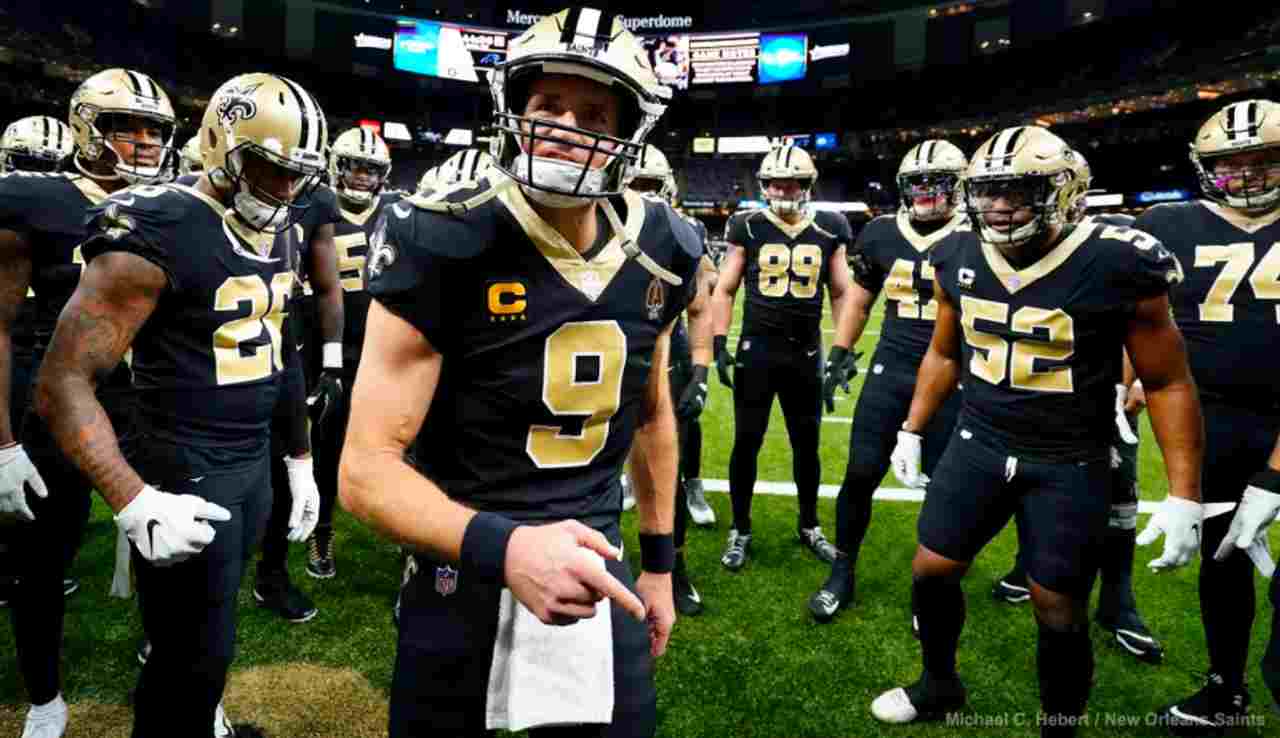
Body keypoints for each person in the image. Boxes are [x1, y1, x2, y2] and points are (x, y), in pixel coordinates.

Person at [339, 9, 695, 736]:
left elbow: (652, 414)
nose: (568, 125)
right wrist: (508, 547)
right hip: (460, 562)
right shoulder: (442, 233)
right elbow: (365, 469)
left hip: (595, 563)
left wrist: (659, 563)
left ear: (630, 135)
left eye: (595, 112)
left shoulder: (664, 245)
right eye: (548, 106)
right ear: (512, 113)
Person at [871, 125, 1202, 737]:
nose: (999, 205)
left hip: (1070, 457)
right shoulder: (956, 253)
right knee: (932, 568)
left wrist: (1184, 493)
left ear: (1065, 189)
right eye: (989, 191)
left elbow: (1167, 381)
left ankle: (1059, 726)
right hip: (979, 441)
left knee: (1057, 605)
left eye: (1019, 190)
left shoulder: (1116, 259)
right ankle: (939, 684)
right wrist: (913, 429)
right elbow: (945, 353)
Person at [35, 72, 326, 738]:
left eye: (296, 175)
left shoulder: (279, 223)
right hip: (187, 461)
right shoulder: (159, 225)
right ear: (223, 146)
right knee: (190, 656)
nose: (284, 190)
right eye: (268, 168)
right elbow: (62, 380)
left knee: (209, 641)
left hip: (251, 457)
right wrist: (132, 496)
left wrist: (301, 456)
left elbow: (280, 344)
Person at [0, 68, 175, 738]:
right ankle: (45, 697)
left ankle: (169, 662)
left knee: (172, 545)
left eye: (154, 128)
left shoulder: (178, 200)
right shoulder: (34, 200)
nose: (142, 140)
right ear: (84, 126)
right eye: (125, 126)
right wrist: (4, 443)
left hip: (148, 403)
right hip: (58, 403)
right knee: (43, 560)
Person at [1134, 98, 1280, 732]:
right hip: (1211, 416)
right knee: (1222, 560)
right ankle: (1226, 688)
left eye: (1262, 161)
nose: (1245, 176)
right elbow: (1140, 322)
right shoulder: (1168, 223)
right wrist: (1128, 382)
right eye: (1231, 165)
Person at [990, 149, 1165, 664]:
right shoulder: (1005, 242)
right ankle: (1029, 566)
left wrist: (1129, 383)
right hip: (1028, 398)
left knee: (1119, 500)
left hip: (1097, 399)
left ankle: (1119, 600)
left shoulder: (1117, 244)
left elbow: (1142, 324)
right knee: (1024, 486)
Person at [807, 139, 967, 624]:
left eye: (935, 182)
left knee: (947, 489)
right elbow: (858, 299)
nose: (923, 192)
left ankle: (934, 587)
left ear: (956, 187)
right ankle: (843, 569)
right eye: (916, 183)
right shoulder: (879, 232)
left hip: (956, 377)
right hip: (891, 369)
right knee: (859, 474)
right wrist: (838, 352)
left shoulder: (978, 234)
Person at [711, 144, 857, 571]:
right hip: (756, 353)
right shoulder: (748, 225)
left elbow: (843, 291)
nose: (782, 189)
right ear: (763, 184)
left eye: (790, 181)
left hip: (805, 355)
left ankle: (809, 525)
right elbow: (725, 287)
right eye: (774, 181)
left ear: (807, 185)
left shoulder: (830, 226)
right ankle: (740, 527)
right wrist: (720, 341)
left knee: (806, 446)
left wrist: (842, 350)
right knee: (747, 443)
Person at [299, 126, 404, 581]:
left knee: (402, 444)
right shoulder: (312, 207)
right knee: (326, 443)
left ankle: (410, 532)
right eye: (355, 166)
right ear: (337, 166)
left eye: (372, 169)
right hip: (332, 347)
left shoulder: (400, 211)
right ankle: (322, 529)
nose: (363, 176)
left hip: (387, 349)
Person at [628, 143, 717, 615]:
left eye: (648, 186)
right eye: (633, 184)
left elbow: (701, 305)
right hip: (602, 354)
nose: (640, 195)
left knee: (669, 474)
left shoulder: (686, 232)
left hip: (666, 355)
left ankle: (672, 566)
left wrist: (700, 369)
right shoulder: (590, 220)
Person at [0, 114, 77, 613]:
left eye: (51, 168)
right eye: (28, 166)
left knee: (45, 478)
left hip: (47, 352)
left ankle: (30, 558)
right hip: (15, 345)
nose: (37, 179)